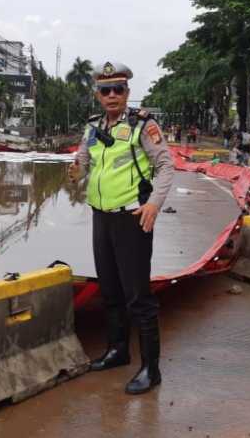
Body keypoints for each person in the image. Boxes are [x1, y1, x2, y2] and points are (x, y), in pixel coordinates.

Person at [68, 61, 174, 395]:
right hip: (102, 217)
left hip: (132, 218)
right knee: (109, 290)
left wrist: (154, 204)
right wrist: (74, 170)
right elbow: (83, 164)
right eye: (105, 90)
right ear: (97, 95)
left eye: (118, 89)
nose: (112, 95)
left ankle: (150, 369)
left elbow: (166, 165)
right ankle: (117, 350)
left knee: (138, 297)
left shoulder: (143, 125)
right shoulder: (92, 127)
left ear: (127, 92)